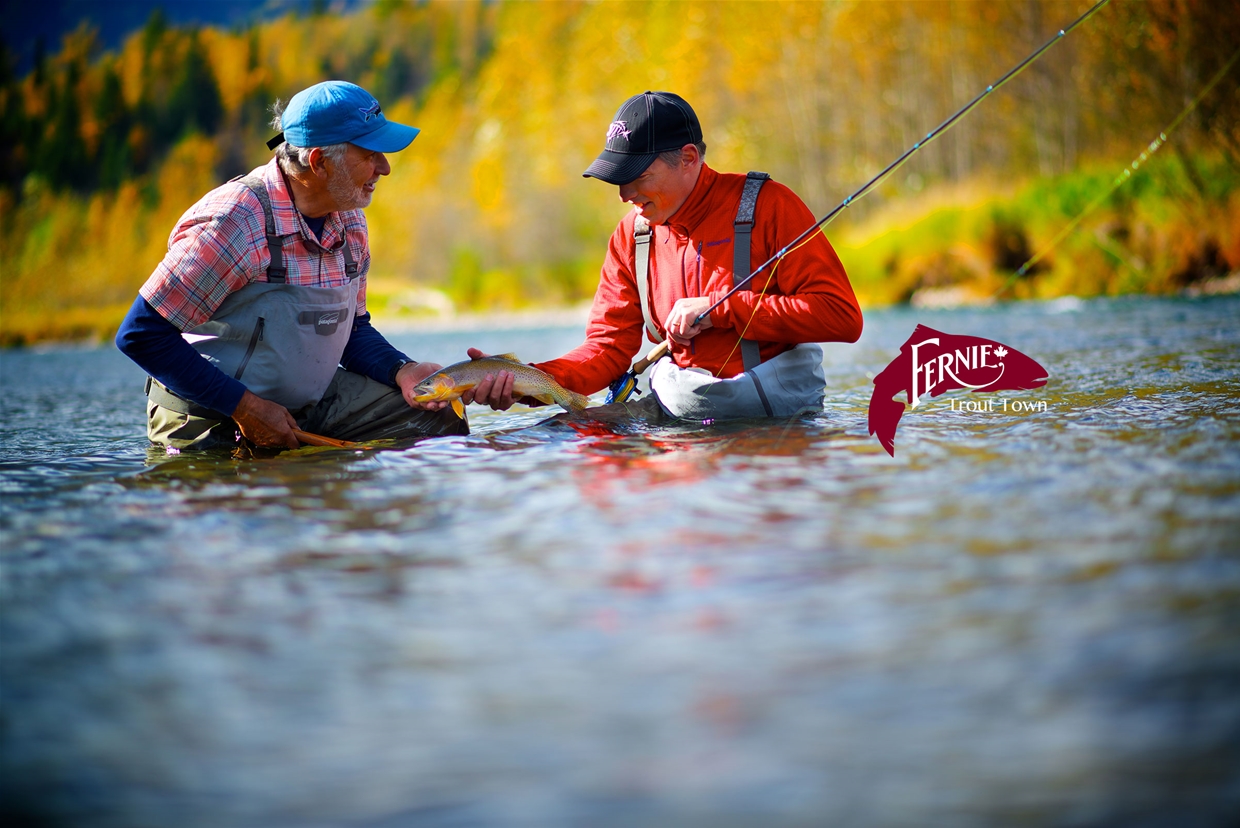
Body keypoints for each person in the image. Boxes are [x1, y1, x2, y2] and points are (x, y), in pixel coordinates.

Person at [468, 90, 863, 422]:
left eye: (638, 177)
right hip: (682, 418)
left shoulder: (770, 206)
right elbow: (606, 350)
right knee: (559, 444)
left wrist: (721, 309)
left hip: (778, 423)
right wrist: (527, 380)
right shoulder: (631, 235)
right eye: (618, 179)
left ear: (689, 158)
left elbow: (842, 318)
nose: (625, 194)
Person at [116, 81, 466, 450]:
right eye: (370, 154)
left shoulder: (349, 220)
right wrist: (245, 407)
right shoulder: (234, 221)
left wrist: (403, 370)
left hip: (306, 402)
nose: (385, 167)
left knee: (438, 416)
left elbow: (352, 331)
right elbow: (141, 334)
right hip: (208, 411)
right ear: (318, 162)